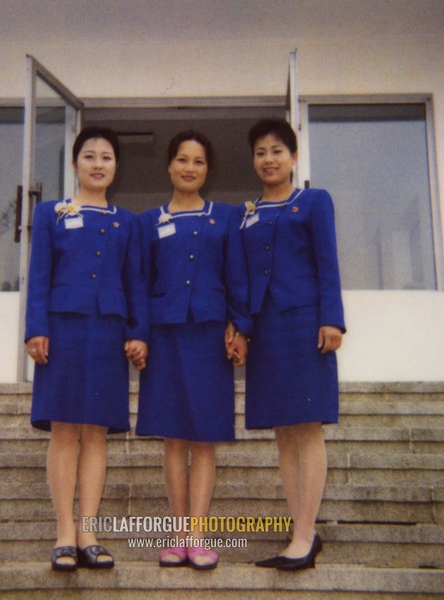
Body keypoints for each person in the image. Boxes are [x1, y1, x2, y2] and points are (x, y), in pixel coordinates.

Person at [25, 126, 148, 572]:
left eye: (107, 157)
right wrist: (36, 327)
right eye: (90, 156)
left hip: (108, 332)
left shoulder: (127, 221)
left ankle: (88, 533)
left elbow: (135, 279)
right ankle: (63, 534)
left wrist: (137, 332)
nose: (98, 164)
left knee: (95, 432)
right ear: (75, 164)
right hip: (61, 328)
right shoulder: (51, 213)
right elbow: (39, 273)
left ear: (116, 166)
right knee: (64, 430)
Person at [136, 130, 251, 570]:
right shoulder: (148, 222)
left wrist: (240, 327)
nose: (190, 168)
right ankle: (175, 534)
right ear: (169, 165)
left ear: (208, 169)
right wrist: (140, 334)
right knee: (173, 437)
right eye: (182, 159)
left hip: (209, 338)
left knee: (204, 438)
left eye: (198, 162)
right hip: (164, 338)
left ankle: (197, 535)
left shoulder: (226, 217)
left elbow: (238, 277)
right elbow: (140, 283)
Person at [235, 118, 345, 571]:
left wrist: (331, 319)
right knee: (283, 431)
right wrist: (241, 327)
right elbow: (241, 275)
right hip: (265, 329)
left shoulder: (314, 201)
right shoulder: (248, 213)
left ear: (294, 157)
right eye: (260, 152)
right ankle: (299, 530)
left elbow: (328, 263)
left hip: (304, 325)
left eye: (277, 150)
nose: (268, 159)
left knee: (307, 425)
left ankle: (305, 533)